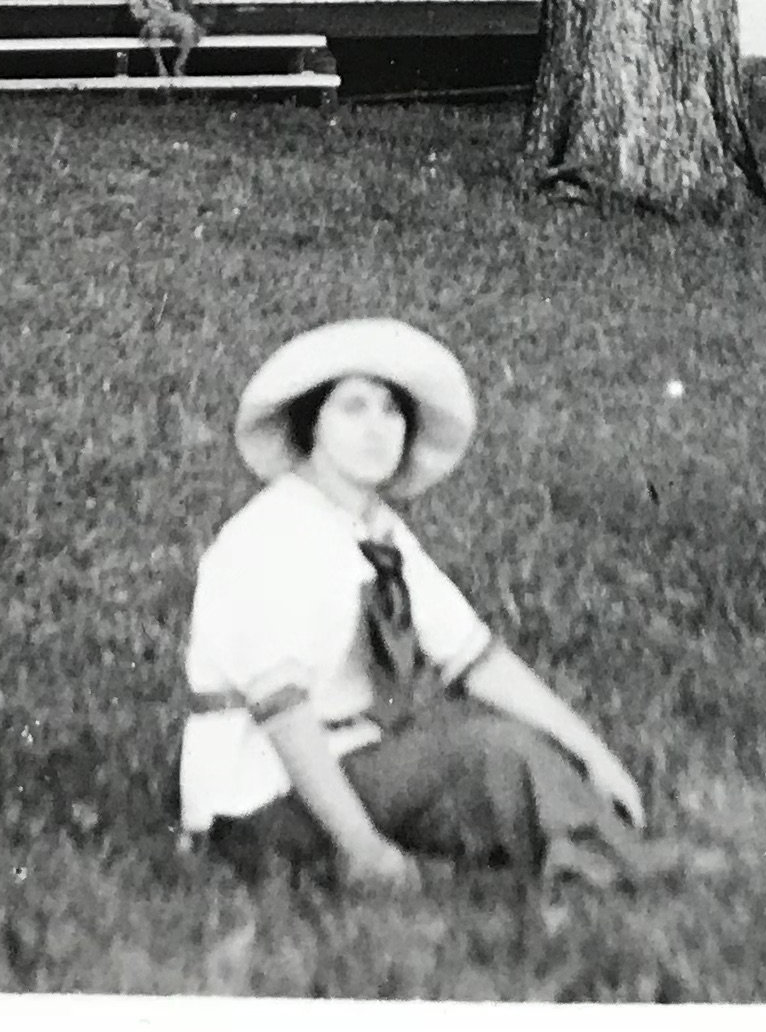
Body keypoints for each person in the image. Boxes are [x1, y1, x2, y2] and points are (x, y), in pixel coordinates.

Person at [181, 318, 684, 889]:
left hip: (349, 761)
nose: (377, 429)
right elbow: (286, 716)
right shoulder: (273, 533)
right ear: (311, 427)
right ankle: (615, 868)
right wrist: (366, 850)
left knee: (499, 746)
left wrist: (595, 756)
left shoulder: (374, 531)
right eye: (353, 408)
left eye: (392, 410)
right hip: (253, 804)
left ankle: (588, 856)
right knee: (491, 751)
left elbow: (475, 657)